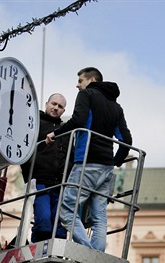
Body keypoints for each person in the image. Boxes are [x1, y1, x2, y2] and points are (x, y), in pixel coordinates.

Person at [45, 67, 132, 252]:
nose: (77, 85)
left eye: (80, 81)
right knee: (99, 216)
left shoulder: (87, 95)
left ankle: (87, 252)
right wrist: (116, 161)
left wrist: (55, 133)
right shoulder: (116, 107)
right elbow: (126, 141)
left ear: (92, 80)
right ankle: (98, 255)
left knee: (68, 211)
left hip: (86, 162)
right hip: (106, 168)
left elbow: (78, 120)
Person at [21, 93, 72, 243]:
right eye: (54, 104)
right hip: (40, 180)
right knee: (43, 222)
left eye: (60, 106)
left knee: (60, 228)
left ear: (63, 111)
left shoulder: (66, 131)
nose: (56, 108)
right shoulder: (34, 124)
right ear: (46, 103)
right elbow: (24, 149)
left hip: (60, 184)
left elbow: (71, 155)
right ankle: (37, 250)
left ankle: (55, 255)